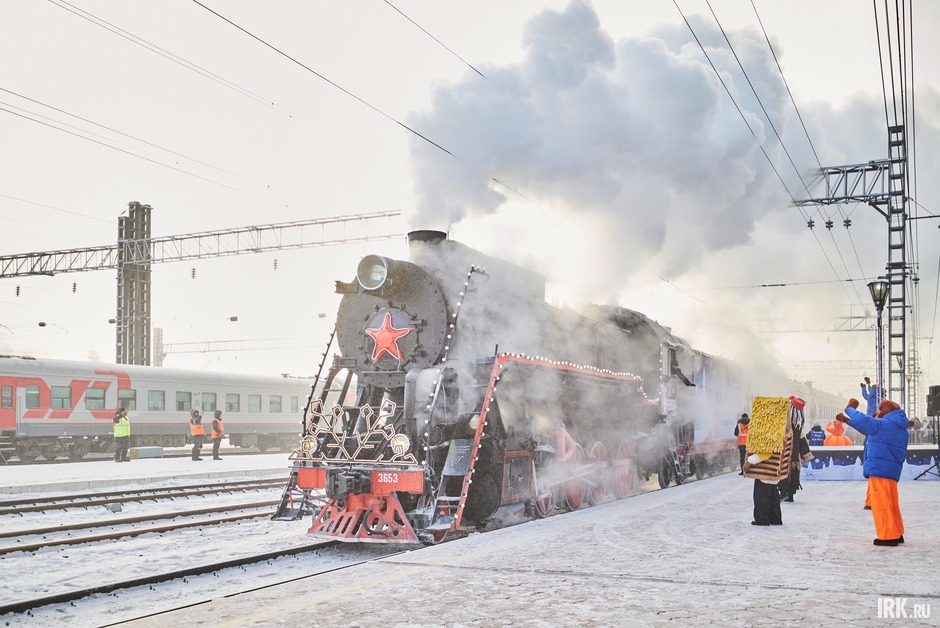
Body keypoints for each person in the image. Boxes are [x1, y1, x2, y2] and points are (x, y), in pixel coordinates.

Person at [836, 397, 911, 546]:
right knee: (892, 503)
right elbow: (868, 429)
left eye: (880, 408)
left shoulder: (882, 425)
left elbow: (865, 421)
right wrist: (847, 420)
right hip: (891, 470)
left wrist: (849, 409)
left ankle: (887, 536)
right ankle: (897, 532)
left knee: (881, 503)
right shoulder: (898, 427)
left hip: (879, 468)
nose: (878, 411)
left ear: (885, 410)